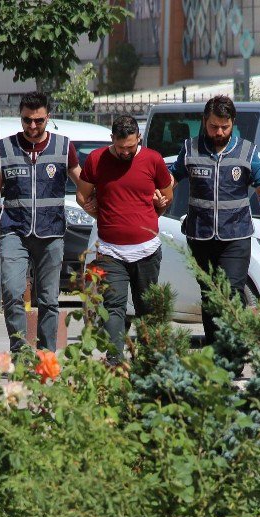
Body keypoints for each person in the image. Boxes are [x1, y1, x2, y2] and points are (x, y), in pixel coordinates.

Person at [0, 91, 81, 352]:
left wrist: (96, 200)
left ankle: (46, 357)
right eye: (27, 121)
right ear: (20, 118)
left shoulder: (63, 147)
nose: (32, 127)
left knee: (48, 300)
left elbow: (85, 184)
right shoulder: (5, 148)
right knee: (11, 292)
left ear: (49, 117)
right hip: (14, 231)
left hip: (51, 232)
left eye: (39, 121)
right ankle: (21, 353)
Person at [168, 95, 260, 345]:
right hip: (200, 237)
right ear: (204, 122)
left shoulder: (246, 151)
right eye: (214, 126)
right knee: (210, 295)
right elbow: (171, 179)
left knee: (232, 294)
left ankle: (231, 353)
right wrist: (159, 196)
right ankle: (216, 353)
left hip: (236, 237)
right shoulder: (190, 148)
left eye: (225, 126)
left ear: (233, 122)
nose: (219, 132)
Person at [76, 115, 174, 362]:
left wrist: (161, 203)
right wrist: (92, 209)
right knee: (113, 307)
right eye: (121, 148)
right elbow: (82, 195)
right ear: (112, 140)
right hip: (110, 252)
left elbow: (167, 193)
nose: (126, 152)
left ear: (138, 138)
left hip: (147, 250)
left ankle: (151, 362)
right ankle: (115, 360)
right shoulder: (97, 160)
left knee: (147, 308)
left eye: (131, 147)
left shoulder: (153, 159)